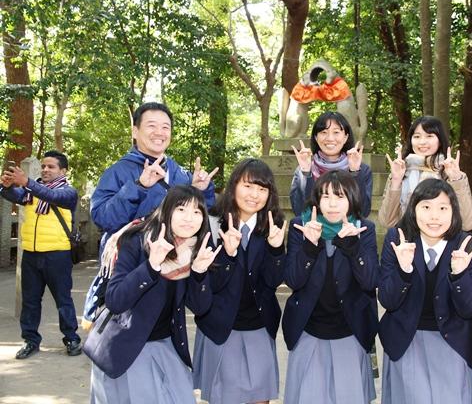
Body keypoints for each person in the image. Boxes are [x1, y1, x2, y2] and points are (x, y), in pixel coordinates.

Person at [86, 102, 217, 323]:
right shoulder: (118, 172)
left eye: (165, 127)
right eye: (151, 125)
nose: (159, 132)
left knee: (167, 327)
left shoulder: (179, 173)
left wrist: (201, 191)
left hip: (173, 272)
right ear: (135, 131)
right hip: (132, 272)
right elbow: (103, 218)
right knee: (129, 331)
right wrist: (139, 186)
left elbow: (200, 219)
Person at [87, 185, 219, 404]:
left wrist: (198, 273)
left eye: (197, 212)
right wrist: (151, 266)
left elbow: (200, 307)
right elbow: (116, 300)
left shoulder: (194, 249)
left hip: (167, 343)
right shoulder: (137, 241)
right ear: (167, 210)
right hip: (127, 346)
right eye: (181, 209)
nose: (189, 218)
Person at [378, 178, 472, 404]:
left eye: (443, 208)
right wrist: (404, 270)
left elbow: (471, 310)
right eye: (426, 207)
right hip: (405, 341)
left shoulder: (467, 246)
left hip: (452, 342)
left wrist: (459, 275)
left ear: (454, 212)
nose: (434, 216)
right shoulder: (398, 240)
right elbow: (387, 300)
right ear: (413, 209)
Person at [192, 159, 287, 404]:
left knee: (261, 398)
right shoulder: (212, 223)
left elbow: (273, 280)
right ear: (234, 185)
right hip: (221, 327)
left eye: (262, 189)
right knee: (225, 397)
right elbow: (209, 284)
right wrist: (228, 254)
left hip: (259, 325)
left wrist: (276, 250)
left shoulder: (273, 225)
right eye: (248, 186)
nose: (254, 195)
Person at [283, 170, 378, 403]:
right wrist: (309, 246)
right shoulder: (301, 226)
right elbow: (293, 280)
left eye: (340, 196)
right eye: (326, 196)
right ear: (317, 200)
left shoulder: (362, 228)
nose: (333, 204)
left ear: (352, 199)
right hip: (308, 331)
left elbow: (370, 281)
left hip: (350, 331)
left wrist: (353, 247)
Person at [0, 151, 82, 359]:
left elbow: (52, 197)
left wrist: (26, 182)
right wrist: (6, 186)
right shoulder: (32, 192)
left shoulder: (68, 192)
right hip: (31, 254)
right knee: (30, 301)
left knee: (63, 299)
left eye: (51, 167)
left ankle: (71, 338)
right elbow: (15, 195)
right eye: (43, 166)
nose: (45, 170)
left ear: (63, 171)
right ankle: (30, 341)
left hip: (58, 255)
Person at [378, 116, 472, 231]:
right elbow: (387, 221)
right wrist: (396, 181)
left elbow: (467, 224)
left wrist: (456, 180)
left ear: (440, 141)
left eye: (429, 136)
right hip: (407, 238)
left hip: (444, 239)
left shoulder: (453, 174)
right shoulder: (400, 173)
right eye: (417, 136)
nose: (422, 142)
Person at [290, 111, 372, 217]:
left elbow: (363, 212)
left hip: (348, 227)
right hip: (313, 226)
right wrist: (306, 173)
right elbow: (299, 211)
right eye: (324, 132)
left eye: (336, 132)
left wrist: (354, 172)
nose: (330, 138)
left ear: (346, 137)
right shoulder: (303, 169)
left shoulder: (362, 170)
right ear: (316, 137)